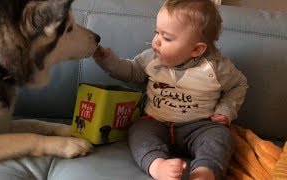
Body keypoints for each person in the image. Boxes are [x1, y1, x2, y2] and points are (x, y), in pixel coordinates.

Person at [93, 0, 248, 179]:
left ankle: (205, 171)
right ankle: (157, 164)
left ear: (196, 49)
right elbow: (131, 72)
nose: (156, 41)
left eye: (166, 38)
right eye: (156, 32)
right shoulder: (151, 58)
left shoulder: (217, 68)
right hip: (155, 121)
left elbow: (239, 84)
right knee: (137, 131)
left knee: (221, 136)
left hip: (198, 126)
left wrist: (227, 109)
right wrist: (108, 61)